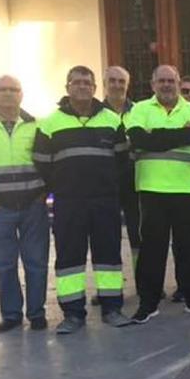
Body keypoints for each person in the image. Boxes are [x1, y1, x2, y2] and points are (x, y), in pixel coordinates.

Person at [33, 66, 132, 334]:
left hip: (105, 201)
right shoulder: (50, 123)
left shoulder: (112, 120)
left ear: (94, 88)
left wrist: (111, 189)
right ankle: (73, 314)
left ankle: (112, 308)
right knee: (69, 259)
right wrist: (62, 188)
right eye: (76, 82)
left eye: (87, 83)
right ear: (67, 88)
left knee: (109, 257)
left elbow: (122, 162)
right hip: (69, 202)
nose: (82, 87)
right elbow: (41, 164)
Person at [126, 65, 190, 323]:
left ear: (177, 83)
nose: (166, 85)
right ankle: (148, 303)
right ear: (152, 84)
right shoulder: (140, 109)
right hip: (152, 189)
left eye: (171, 81)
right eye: (161, 81)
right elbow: (138, 138)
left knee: (189, 247)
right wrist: (177, 135)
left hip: (185, 189)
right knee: (152, 249)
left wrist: (156, 136)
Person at [0, 75, 49, 332]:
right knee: (4, 265)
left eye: (13, 89)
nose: (7, 94)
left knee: (36, 262)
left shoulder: (37, 125)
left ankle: (37, 313)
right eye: (1, 89)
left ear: (21, 94)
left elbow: (49, 163)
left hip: (32, 206)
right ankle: (12, 315)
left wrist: (43, 194)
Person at [101, 66, 139, 278]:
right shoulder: (95, 112)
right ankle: (109, 288)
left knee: (139, 235)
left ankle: (145, 283)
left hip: (136, 180)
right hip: (106, 183)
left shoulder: (141, 111)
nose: (117, 85)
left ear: (127, 84)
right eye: (112, 81)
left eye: (121, 81)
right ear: (104, 84)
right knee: (107, 237)